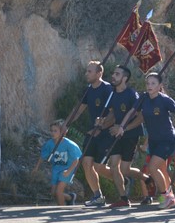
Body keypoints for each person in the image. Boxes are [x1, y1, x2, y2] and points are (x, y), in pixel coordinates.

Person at [120, 72, 175, 208]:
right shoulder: (143, 98)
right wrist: (122, 126)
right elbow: (132, 111)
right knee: (162, 170)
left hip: (167, 139)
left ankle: (165, 196)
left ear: (160, 85)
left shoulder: (165, 100)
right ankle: (170, 196)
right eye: (148, 83)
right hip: (154, 140)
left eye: (153, 83)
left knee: (152, 167)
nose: (149, 86)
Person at [63, 60, 114, 207]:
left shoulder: (108, 89)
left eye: (89, 71)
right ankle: (98, 196)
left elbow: (114, 113)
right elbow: (78, 109)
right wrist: (66, 124)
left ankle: (121, 180)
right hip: (92, 132)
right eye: (87, 71)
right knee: (86, 163)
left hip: (106, 133)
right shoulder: (88, 90)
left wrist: (101, 126)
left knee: (99, 167)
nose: (86, 74)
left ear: (99, 73)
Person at [103, 64, 145, 208]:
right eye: (113, 73)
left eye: (117, 74)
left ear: (125, 78)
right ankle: (123, 198)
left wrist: (124, 129)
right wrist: (103, 122)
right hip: (116, 133)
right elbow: (113, 113)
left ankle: (146, 179)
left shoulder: (132, 94)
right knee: (114, 166)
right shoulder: (112, 93)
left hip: (131, 134)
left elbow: (141, 117)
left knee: (125, 170)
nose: (113, 76)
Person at [36, 119, 81, 205]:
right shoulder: (49, 144)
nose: (53, 133)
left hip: (67, 169)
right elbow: (42, 156)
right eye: (51, 131)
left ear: (62, 132)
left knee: (58, 192)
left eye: (55, 131)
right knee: (54, 193)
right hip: (56, 169)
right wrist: (36, 168)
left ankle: (62, 210)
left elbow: (76, 160)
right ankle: (70, 197)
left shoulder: (70, 145)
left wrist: (68, 171)